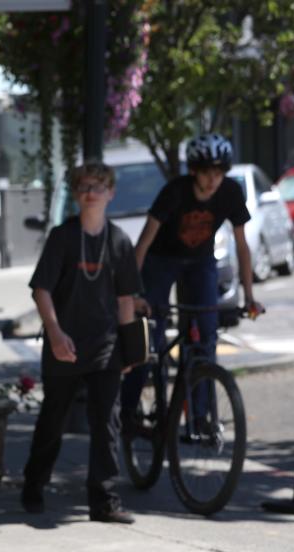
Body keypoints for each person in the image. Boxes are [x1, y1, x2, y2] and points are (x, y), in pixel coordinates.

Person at [22, 161, 141, 523]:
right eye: (84, 187)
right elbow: (41, 290)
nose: (91, 193)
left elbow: (125, 300)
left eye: (98, 186)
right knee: (53, 418)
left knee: (107, 421)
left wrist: (131, 348)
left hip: (105, 344)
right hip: (65, 342)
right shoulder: (63, 236)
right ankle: (33, 485)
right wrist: (55, 333)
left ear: (110, 193)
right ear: (76, 194)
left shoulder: (119, 240)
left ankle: (104, 500)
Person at [121, 133, 265, 423]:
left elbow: (242, 245)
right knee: (149, 336)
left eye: (219, 172)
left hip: (200, 262)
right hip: (160, 261)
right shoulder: (175, 192)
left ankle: (200, 418)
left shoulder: (231, 193)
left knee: (206, 338)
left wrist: (249, 296)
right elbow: (144, 243)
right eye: (206, 172)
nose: (213, 180)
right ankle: (127, 410)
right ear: (193, 172)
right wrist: (132, 293)